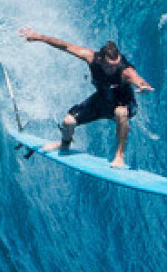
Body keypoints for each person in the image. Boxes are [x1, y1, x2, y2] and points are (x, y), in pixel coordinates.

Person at [20, 28, 155, 168]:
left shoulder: (125, 71)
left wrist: (143, 86)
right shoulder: (91, 57)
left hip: (125, 103)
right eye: (110, 66)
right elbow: (65, 46)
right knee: (68, 121)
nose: (114, 69)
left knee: (120, 112)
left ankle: (119, 156)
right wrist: (39, 37)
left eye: (116, 65)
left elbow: (139, 80)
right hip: (102, 101)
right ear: (100, 59)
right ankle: (64, 144)